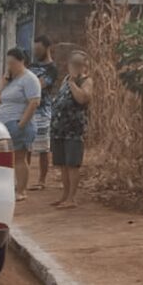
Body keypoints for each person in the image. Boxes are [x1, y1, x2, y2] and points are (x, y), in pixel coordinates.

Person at [0, 47, 41, 202]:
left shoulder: (29, 79)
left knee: (20, 157)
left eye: (13, 63)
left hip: (18, 123)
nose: (10, 66)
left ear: (22, 61)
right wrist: (2, 83)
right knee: (6, 158)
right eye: (8, 63)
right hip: (5, 124)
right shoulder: (10, 80)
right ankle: (11, 186)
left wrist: (21, 123)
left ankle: (22, 190)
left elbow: (34, 102)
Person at [50, 50, 93, 209]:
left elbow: (82, 98)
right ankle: (64, 195)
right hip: (59, 128)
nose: (76, 68)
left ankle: (72, 198)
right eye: (73, 65)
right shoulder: (65, 80)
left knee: (72, 164)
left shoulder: (85, 81)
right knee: (62, 164)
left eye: (79, 66)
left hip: (74, 129)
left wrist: (74, 83)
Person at [27, 35, 58, 191]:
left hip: (43, 111)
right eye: (34, 48)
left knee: (43, 148)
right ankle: (24, 178)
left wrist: (27, 85)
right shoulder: (31, 65)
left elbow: (39, 85)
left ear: (46, 48)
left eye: (38, 49)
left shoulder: (52, 69)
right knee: (26, 146)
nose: (36, 51)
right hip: (28, 110)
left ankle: (42, 180)